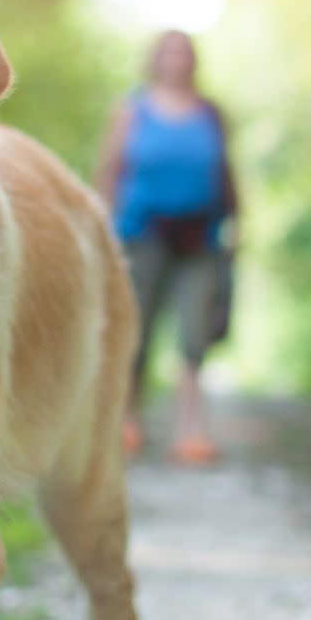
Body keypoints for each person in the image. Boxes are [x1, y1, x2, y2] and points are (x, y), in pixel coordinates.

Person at [96, 29, 238, 465]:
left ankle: (191, 432)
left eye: (184, 52)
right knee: (135, 329)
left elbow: (227, 172)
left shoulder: (210, 112)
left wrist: (237, 227)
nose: (177, 60)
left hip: (202, 236)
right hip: (141, 233)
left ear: (193, 60)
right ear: (156, 59)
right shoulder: (132, 109)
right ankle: (125, 422)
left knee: (194, 337)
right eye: (169, 52)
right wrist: (99, 229)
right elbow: (110, 170)